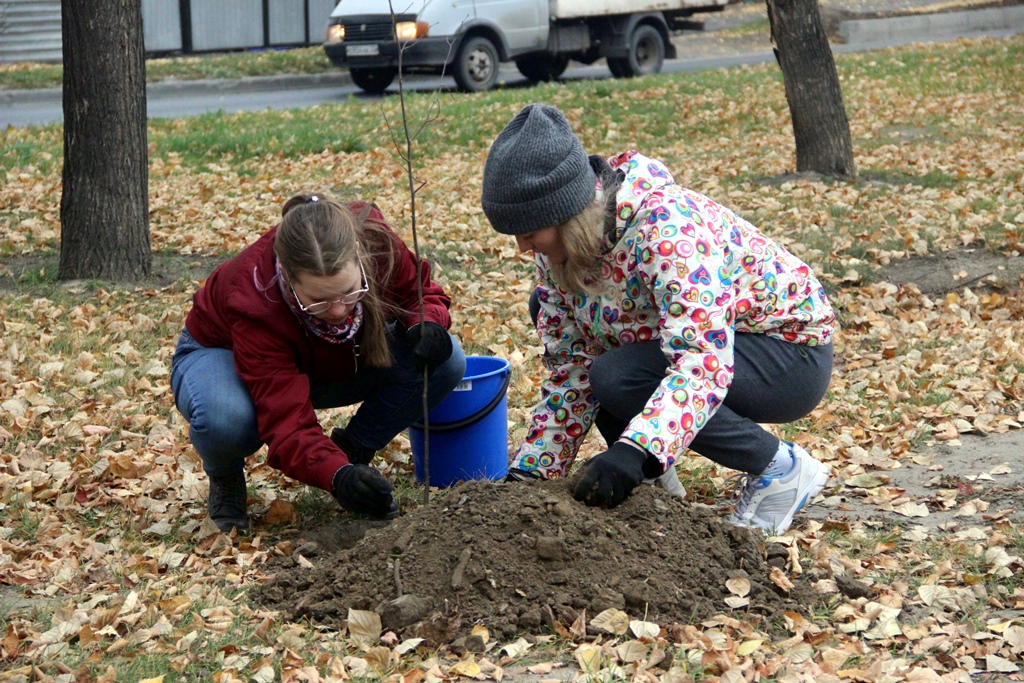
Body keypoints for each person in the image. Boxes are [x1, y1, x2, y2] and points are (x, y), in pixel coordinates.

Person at [481, 104, 835, 534]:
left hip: (788, 356)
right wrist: (532, 472)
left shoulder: (667, 230)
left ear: (566, 214)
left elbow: (701, 360)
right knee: (592, 361)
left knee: (617, 376)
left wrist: (636, 450)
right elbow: (573, 367)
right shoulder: (559, 254)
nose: (522, 247)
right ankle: (656, 494)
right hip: (692, 350)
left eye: (529, 233)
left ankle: (781, 470)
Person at [170, 193, 466, 532]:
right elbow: (286, 422)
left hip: (329, 355)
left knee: (448, 360)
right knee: (225, 418)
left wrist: (424, 324)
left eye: (350, 292)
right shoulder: (255, 301)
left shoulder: (376, 240)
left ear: (359, 254)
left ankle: (352, 449)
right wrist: (336, 478)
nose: (339, 309)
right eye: (318, 300)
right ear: (288, 277)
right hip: (222, 353)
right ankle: (225, 478)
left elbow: (420, 293)